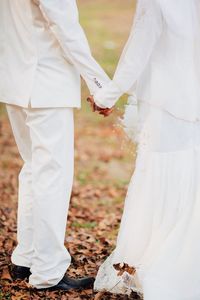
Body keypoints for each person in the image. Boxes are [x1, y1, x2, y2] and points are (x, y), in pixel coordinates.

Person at [89, 0, 200, 299]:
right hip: (194, 105)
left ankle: (157, 255)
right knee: (188, 179)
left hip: (166, 106)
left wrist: (107, 96)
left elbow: (137, 54)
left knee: (159, 179)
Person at [0, 0, 112, 291]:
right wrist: (99, 83)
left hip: (15, 79)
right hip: (46, 82)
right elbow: (65, 26)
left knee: (34, 170)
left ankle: (26, 257)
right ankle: (48, 271)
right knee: (52, 175)